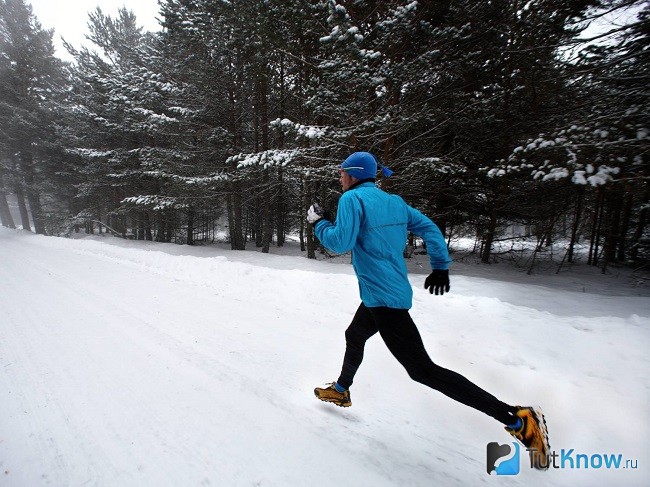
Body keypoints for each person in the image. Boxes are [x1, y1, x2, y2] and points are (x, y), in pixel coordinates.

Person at [307, 151, 550, 470]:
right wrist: (441, 266)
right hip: (383, 292)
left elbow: (339, 243)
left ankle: (517, 419)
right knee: (354, 334)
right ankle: (341, 390)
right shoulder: (393, 201)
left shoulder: (353, 199)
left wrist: (319, 223)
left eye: (341, 173)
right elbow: (430, 229)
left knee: (423, 370)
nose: (339, 178)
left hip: (384, 300)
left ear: (352, 175)